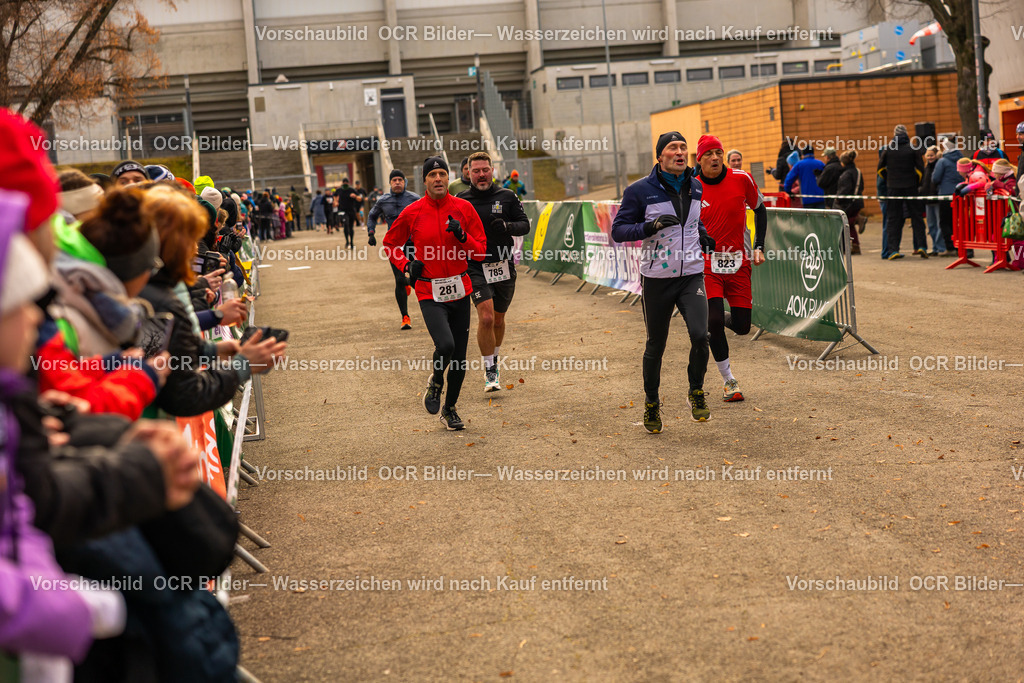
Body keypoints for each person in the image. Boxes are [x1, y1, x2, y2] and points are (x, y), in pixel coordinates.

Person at [611, 131, 716, 432]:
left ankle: (695, 390)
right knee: (656, 344)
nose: (680, 152)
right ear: (660, 156)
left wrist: (704, 236)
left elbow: (694, 221)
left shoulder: (696, 186)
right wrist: (649, 226)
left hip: (691, 274)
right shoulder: (639, 191)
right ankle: (652, 404)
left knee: (700, 335)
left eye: (683, 147)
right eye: (673, 148)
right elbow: (619, 231)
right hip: (657, 277)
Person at [383, 157, 486, 431]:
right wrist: (407, 265)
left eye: (442, 174)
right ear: (425, 181)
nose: (438, 179)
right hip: (429, 289)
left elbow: (480, 250)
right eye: (433, 175)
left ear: (447, 178)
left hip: (460, 287)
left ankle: (449, 409)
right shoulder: (412, 212)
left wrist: (462, 236)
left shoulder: (463, 208)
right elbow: (390, 244)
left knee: (461, 359)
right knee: (447, 345)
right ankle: (436, 380)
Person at [694, 135, 766, 404]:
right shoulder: (693, 187)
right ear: (699, 159)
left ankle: (714, 316)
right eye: (709, 154)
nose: (715, 157)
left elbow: (760, 209)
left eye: (718, 152)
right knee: (713, 322)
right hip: (707, 264)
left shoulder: (742, 178)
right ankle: (729, 381)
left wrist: (758, 245)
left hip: (738, 263)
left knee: (743, 327)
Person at [456, 151, 531, 391]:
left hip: (503, 264)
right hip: (475, 265)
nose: (481, 175)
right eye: (475, 171)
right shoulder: (461, 199)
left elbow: (525, 225)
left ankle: (494, 358)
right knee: (486, 317)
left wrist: (507, 226)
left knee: (498, 319)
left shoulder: (507, 196)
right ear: (468, 172)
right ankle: (490, 371)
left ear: (492, 171)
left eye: (485, 170)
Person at [367, 169, 420, 329]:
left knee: (416, 277)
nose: (397, 182)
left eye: (400, 180)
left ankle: (409, 282)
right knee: (398, 279)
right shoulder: (383, 200)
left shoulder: (414, 198)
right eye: (394, 180)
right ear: (390, 183)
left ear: (405, 182)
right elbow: (372, 216)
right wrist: (371, 232)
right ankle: (405, 316)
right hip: (394, 245)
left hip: (411, 244)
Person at [878, 124, 927, 260]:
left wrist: (889, 180)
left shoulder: (888, 149)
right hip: (910, 186)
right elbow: (920, 169)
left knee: (893, 218)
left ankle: (893, 250)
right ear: (906, 134)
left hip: (893, 187)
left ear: (894, 134)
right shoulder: (913, 149)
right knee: (917, 217)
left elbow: (880, 169)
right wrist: (916, 182)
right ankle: (922, 247)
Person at [931, 137, 962, 255]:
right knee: (958, 222)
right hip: (959, 194)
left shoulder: (942, 161)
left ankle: (950, 247)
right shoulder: (961, 159)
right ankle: (962, 246)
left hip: (945, 194)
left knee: (945, 222)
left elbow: (935, 178)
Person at [834, 150, 866, 255]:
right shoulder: (858, 171)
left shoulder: (846, 174)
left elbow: (844, 190)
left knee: (844, 223)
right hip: (857, 201)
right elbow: (861, 186)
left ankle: (858, 219)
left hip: (848, 203)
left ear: (843, 162)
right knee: (849, 225)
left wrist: (838, 199)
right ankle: (855, 246)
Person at [920, 145, 945, 255]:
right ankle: (935, 247)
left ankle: (940, 247)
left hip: (937, 198)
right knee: (931, 225)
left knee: (939, 224)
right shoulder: (926, 167)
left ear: (937, 155)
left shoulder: (938, 166)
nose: (930, 157)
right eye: (928, 155)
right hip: (927, 199)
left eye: (932, 155)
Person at [337, 178, 357, 247]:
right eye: (344, 183)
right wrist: (335, 201)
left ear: (348, 183)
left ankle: (351, 242)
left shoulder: (352, 190)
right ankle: (347, 241)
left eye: (346, 183)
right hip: (342, 211)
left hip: (351, 211)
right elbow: (334, 195)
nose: (345, 184)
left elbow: (359, 198)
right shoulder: (339, 190)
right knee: (345, 224)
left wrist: (355, 196)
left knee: (351, 227)